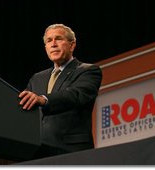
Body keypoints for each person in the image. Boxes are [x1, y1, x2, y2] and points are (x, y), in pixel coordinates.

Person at [18, 23, 102, 158]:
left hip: (70, 151)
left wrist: (44, 99)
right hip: (37, 153)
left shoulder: (88, 71)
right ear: (45, 47)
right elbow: (24, 106)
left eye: (58, 38)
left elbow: (76, 95)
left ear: (72, 45)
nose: (53, 44)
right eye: (49, 41)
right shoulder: (37, 78)